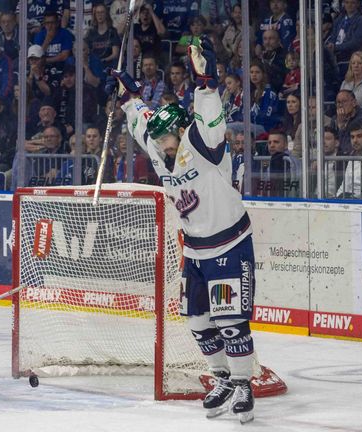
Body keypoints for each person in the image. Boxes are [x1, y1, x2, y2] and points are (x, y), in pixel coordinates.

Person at [115, 36, 259, 423]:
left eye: (167, 138)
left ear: (181, 131)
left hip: (229, 245)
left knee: (229, 320)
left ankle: (244, 384)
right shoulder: (163, 149)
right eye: (159, 140)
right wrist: (130, 97)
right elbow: (143, 123)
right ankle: (223, 378)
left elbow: (210, 116)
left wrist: (205, 82)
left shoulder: (201, 143)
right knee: (197, 321)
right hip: (194, 250)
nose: (160, 145)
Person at [337, 120, 362, 199]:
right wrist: (337, 198)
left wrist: (352, 197)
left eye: (359, 136)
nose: (355, 140)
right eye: (352, 137)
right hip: (350, 203)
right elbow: (344, 186)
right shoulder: (352, 159)